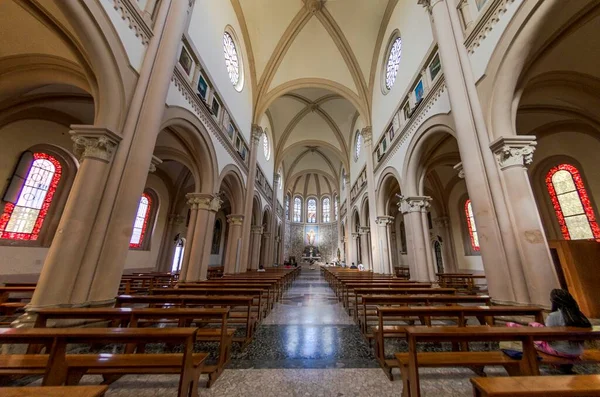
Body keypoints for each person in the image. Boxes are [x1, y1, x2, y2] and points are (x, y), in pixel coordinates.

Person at [507, 289, 591, 359]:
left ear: (553, 301)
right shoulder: (579, 315)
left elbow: (547, 336)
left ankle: (529, 365)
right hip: (578, 351)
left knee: (526, 340)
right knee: (534, 327)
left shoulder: (554, 316)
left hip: (560, 351)